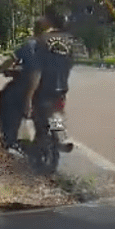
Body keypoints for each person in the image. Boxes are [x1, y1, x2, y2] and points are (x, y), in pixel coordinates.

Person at [21, 11, 72, 149]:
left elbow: (36, 71)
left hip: (44, 88)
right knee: (56, 112)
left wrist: (29, 98)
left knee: (30, 109)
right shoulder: (68, 41)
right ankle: (60, 133)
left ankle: (33, 143)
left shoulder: (41, 41)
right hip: (61, 87)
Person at [0, 27, 40, 153]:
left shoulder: (29, 45)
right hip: (54, 88)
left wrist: (0, 68)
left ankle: (11, 138)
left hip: (29, 87)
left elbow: (10, 61)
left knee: (7, 98)